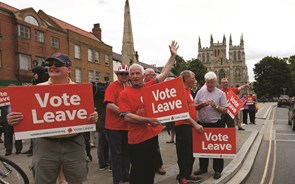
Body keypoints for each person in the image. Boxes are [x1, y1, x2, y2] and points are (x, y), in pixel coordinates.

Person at [6, 52, 98, 184]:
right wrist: (13, 120)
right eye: (50, 64)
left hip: (74, 142)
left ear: (69, 69)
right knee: (43, 180)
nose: (53, 67)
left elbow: (87, 115)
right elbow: (26, 115)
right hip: (46, 144)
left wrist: (93, 117)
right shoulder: (37, 89)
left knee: (76, 180)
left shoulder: (79, 90)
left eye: (58, 64)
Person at [118, 40, 178, 184]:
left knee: (150, 170)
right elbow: (127, 117)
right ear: (129, 76)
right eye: (132, 74)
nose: (135, 76)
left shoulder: (150, 86)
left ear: (143, 75)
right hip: (136, 140)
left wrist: (172, 56)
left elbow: (164, 73)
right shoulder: (124, 94)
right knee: (137, 173)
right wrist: (148, 120)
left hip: (151, 137)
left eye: (138, 73)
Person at [194, 71, 228, 180]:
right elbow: (194, 106)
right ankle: (203, 167)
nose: (209, 85)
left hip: (216, 124)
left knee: (217, 149)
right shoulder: (200, 92)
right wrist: (201, 105)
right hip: (202, 124)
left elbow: (225, 110)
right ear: (205, 82)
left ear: (215, 82)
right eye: (208, 82)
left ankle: (217, 170)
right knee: (202, 147)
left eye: (212, 83)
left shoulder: (220, 94)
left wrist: (216, 106)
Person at [174, 70, 204, 184]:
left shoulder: (188, 91)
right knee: (183, 153)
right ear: (186, 78)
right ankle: (181, 177)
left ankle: (188, 174)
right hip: (183, 126)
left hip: (189, 126)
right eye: (193, 77)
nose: (195, 79)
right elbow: (182, 112)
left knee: (191, 152)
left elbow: (190, 106)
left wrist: (201, 105)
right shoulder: (180, 91)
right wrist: (195, 124)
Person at [104, 63, 130, 184]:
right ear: (117, 74)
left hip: (126, 126)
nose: (123, 76)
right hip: (114, 126)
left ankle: (125, 175)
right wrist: (125, 113)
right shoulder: (112, 86)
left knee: (126, 152)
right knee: (116, 153)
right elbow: (109, 105)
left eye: (125, 74)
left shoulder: (128, 87)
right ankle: (117, 178)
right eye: (121, 74)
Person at [144, 68, 166, 175]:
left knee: (155, 145)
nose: (154, 76)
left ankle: (158, 166)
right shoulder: (142, 86)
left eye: (154, 75)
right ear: (146, 76)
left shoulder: (156, 87)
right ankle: (148, 166)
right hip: (142, 122)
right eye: (152, 75)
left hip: (154, 122)